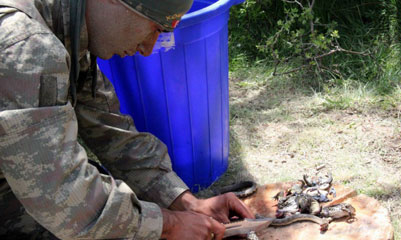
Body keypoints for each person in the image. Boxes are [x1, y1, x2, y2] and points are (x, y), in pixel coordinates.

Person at [0, 0, 254, 239]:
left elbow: (114, 134)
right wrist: (168, 225)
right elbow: (61, 195)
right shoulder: (25, 45)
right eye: (154, 28)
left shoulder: (67, 29)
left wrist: (186, 203)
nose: (148, 49)